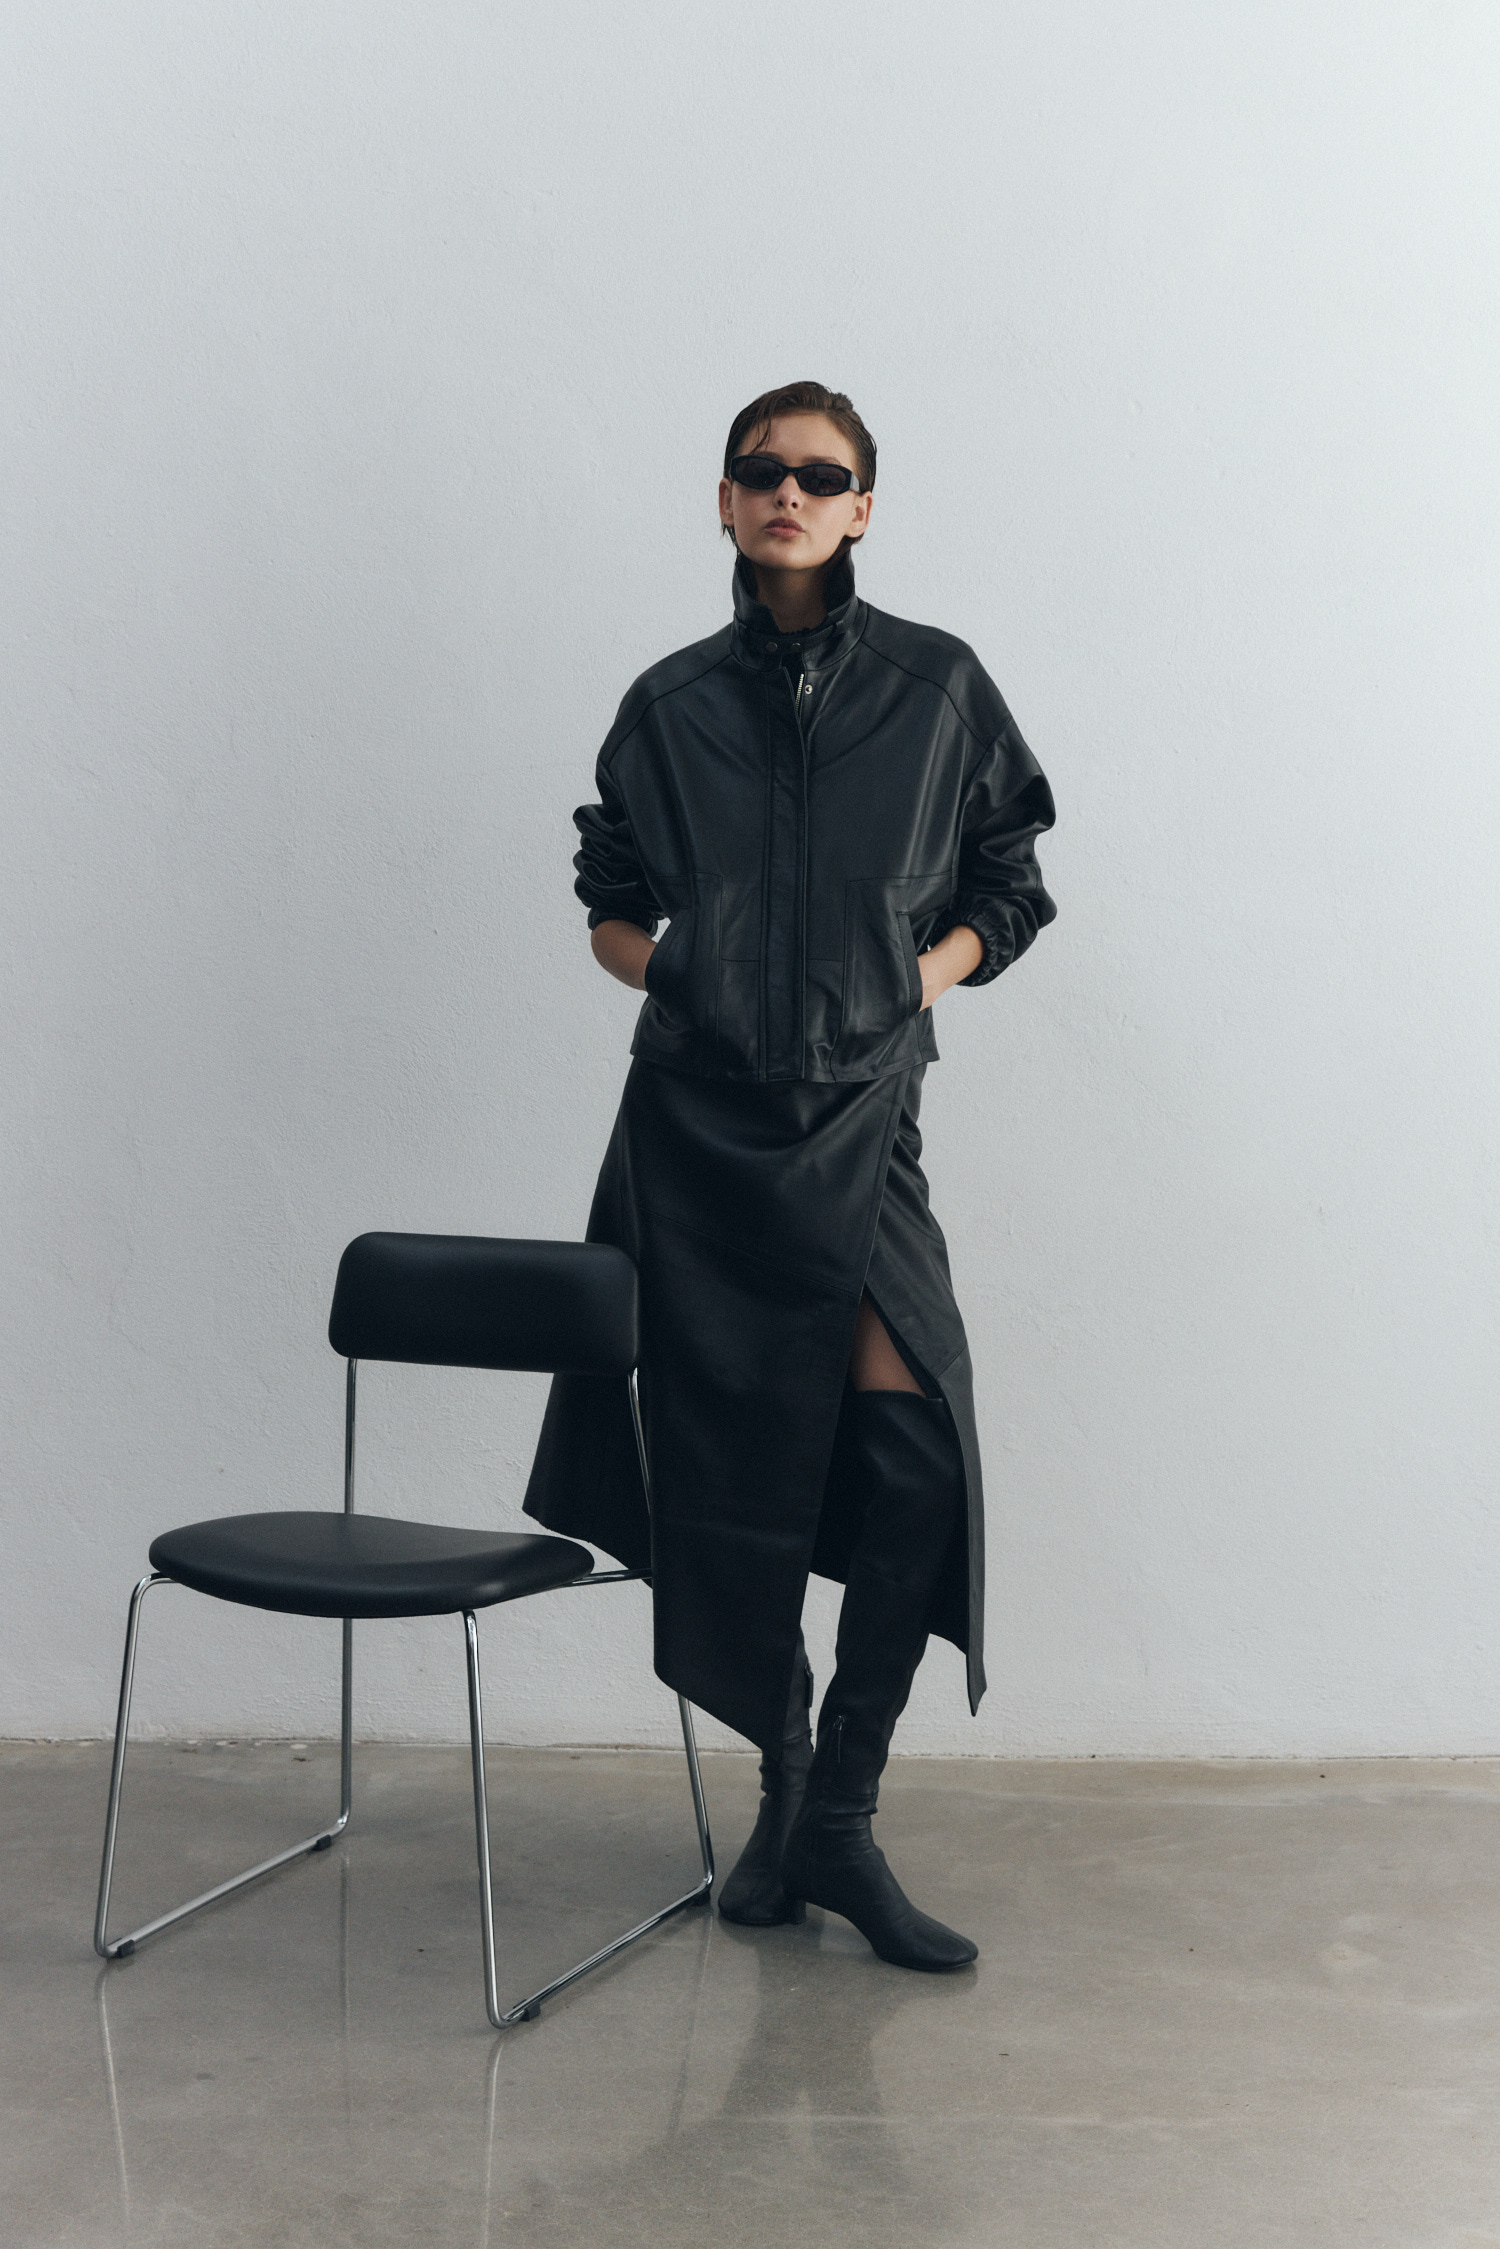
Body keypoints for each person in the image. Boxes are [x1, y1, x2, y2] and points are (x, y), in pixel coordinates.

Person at [525, 380, 1056, 1971]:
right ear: (724, 499)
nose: (788, 492)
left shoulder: (937, 688)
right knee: (724, 1478)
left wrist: (916, 975)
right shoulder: (669, 704)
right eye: (760, 470)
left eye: (821, 475)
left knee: (915, 1458)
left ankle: (844, 1816)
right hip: (695, 1136)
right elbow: (608, 900)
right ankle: (786, 1786)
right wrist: (674, 966)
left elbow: (1011, 882)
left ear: (863, 507)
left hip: (862, 1120)